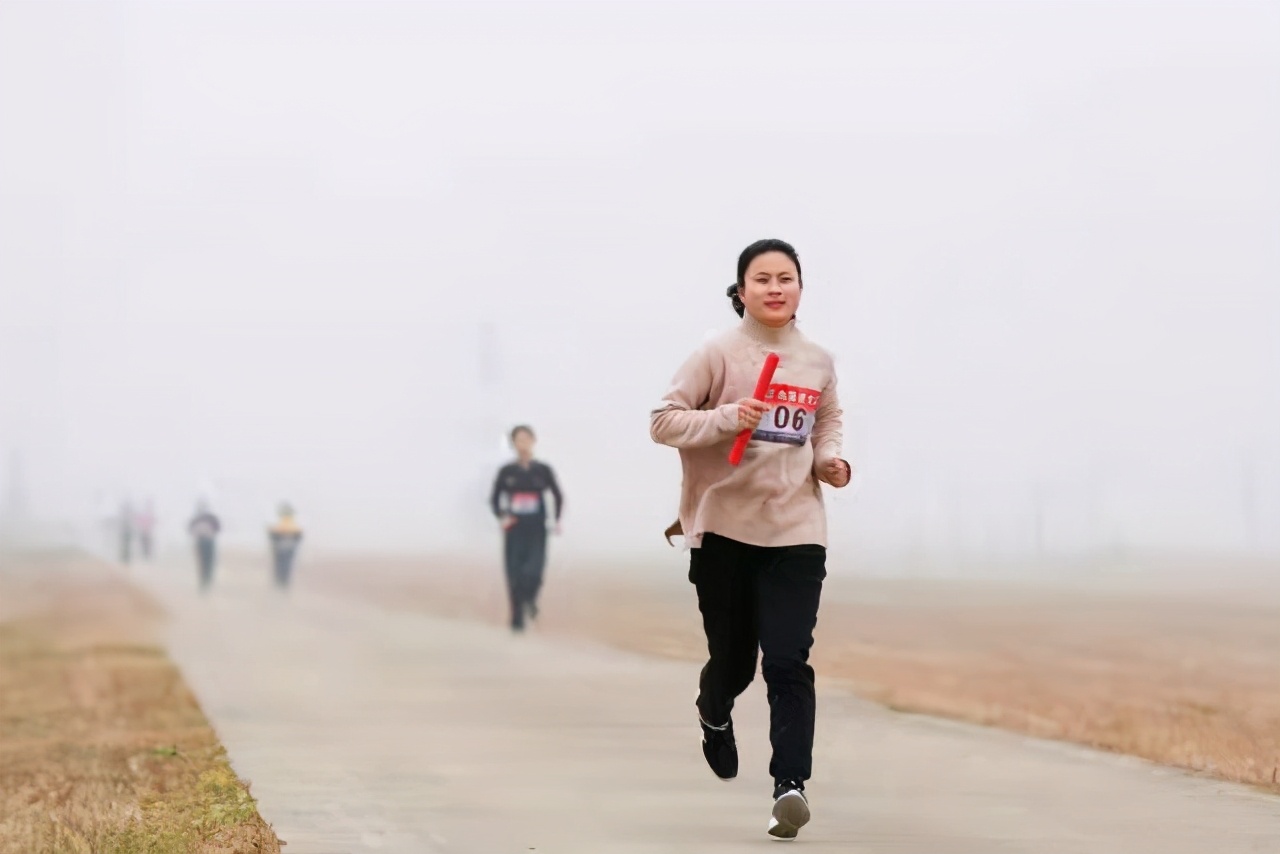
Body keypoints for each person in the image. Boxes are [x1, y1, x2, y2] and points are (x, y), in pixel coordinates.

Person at [650, 239, 852, 840]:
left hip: (796, 532)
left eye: (785, 278)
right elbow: (663, 421)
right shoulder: (718, 353)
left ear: (799, 288)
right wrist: (726, 418)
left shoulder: (817, 360)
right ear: (741, 290)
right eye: (760, 278)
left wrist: (830, 462)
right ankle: (714, 709)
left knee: (789, 661)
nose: (773, 288)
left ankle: (790, 786)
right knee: (735, 664)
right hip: (725, 532)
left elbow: (827, 422)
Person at [489, 425, 563, 632]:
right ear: (513, 444)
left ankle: (530, 600)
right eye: (518, 440)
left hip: (537, 528)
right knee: (514, 573)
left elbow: (557, 495)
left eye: (526, 439)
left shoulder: (543, 470)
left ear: (533, 441)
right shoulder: (507, 472)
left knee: (533, 571)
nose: (522, 444)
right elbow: (495, 499)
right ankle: (516, 617)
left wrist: (556, 519)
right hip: (514, 528)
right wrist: (502, 516)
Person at [187, 501, 222, 592]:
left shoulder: (208, 518)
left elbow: (218, 528)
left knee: (207, 562)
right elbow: (190, 529)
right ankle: (204, 582)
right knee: (204, 563)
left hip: (207, 541)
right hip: (203, 541)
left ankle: (206, 581)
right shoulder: (199, 518)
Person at [267, 502, 303, 589]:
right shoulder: (292, 524)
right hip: (288, 547)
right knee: (286, 565)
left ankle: (280, 582)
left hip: (282, 546)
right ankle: (283, 582)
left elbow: (273, 535)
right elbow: (298, 536)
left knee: (281, 564)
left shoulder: (284, 524)